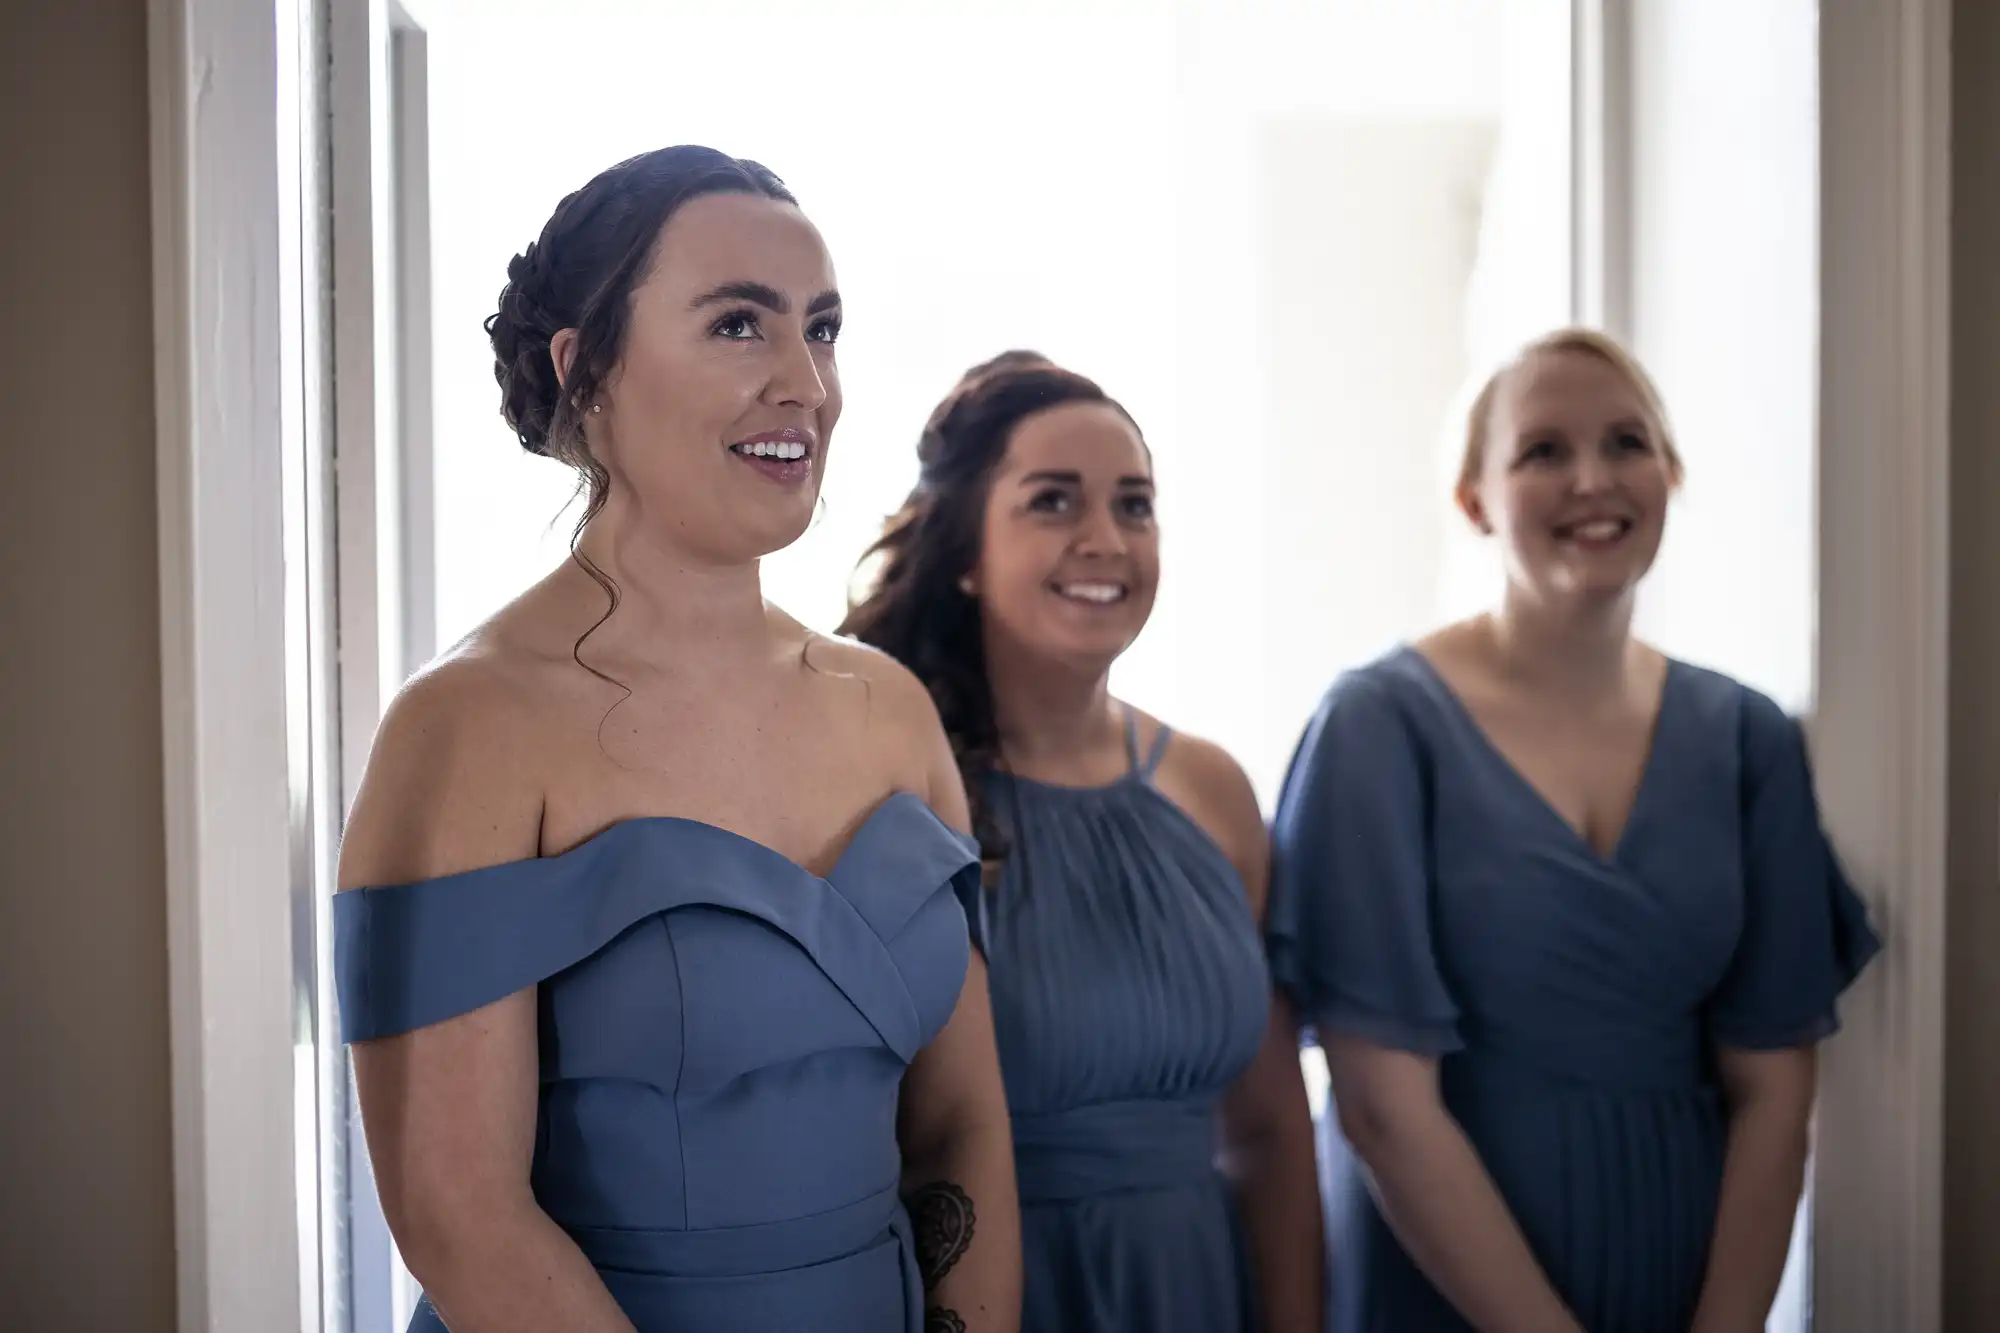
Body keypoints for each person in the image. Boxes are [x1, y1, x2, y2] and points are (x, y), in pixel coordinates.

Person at [332, 146, 1021, 1333]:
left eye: (822, 328)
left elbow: (960, 1125)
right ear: (584, 368)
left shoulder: (888, 709)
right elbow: (460, 1216)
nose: (805, 380)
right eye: (738, 326)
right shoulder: (466, 727)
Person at [1267, 326, 1881, 1333]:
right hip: (1438, 1289)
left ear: (1669, 474)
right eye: (1541, 451)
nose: (1591, 479)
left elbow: (1773, 1088)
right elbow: (1381, 1104)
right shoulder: (1377, 727)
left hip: (1677, 1280)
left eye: (1625, 443)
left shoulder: (1745, 739)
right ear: (1473, 499)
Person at [841, 352, 1325, 1333]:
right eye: (1053, 502)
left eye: (1133, 504)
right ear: (966, 552)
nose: (1105, 539)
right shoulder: (891, 795)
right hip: (991, 1289)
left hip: (1194, 1283)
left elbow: (1270, 1129)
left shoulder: (1211, 789)